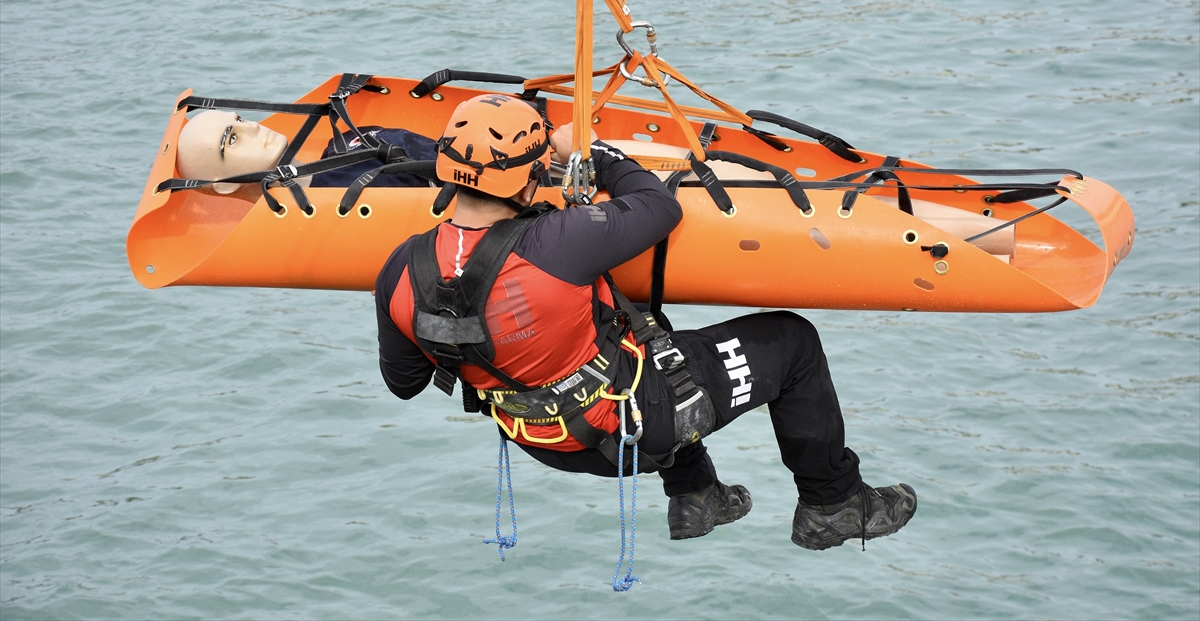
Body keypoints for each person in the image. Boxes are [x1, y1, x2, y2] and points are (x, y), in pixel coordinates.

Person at [375, 94, 918, 549]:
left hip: (544, 440)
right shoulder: (560, 242)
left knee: (638, 321)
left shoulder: (401, 267)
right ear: (528, 181)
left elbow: (405, 385)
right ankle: (834, 504)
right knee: (794, 343)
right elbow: (658, 208)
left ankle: (697, 495)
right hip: (633, 432)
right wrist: (592, 152)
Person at [174, 109, 439, 196]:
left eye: (241, 119)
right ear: (222, 186)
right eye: (231, 139)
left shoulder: (343, 141)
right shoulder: (339, 214)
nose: (254, 126)